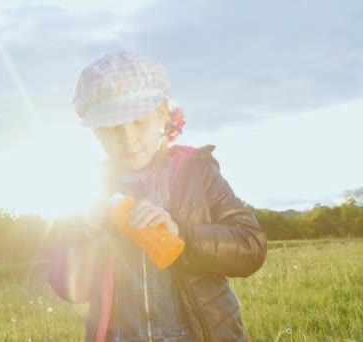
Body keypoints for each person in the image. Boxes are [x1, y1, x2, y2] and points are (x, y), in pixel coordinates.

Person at [47, 51, 267, 341]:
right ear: (96, 133)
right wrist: (88, 232)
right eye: (112, 128)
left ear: (162, 116)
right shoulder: (89, 191)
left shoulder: (195, 173)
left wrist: (183, 236)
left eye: (139, 122)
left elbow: (250, 247)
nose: (128, 139)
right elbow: (69, 289)